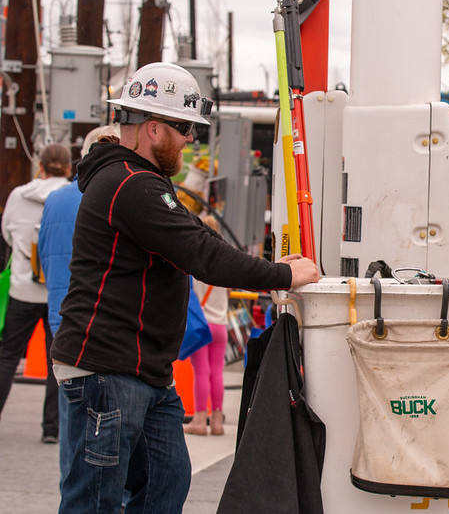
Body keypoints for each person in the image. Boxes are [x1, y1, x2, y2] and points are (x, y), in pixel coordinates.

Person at [50, 62, 320, 513]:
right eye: (184, 128)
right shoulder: (129, 184)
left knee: (165, 484)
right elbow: (203, 254)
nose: (191, 140)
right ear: (153, 129)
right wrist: (284, 277)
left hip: (141, 371)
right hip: (107, 369)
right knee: (95, 502)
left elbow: (202, 238)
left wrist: (274, 264)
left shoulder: (142, 182)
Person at [38, 125, 120, 490]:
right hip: (102, 327)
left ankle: (69, 494)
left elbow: (41, 255)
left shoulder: (55, 200)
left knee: (73, 427)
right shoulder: (116, 196)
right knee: (109, 435)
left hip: (61, 318)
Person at [0, 143, 71, 444]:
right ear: (69, 168)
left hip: (23, 288)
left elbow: (7, 232)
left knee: (7, 356)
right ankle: (51, 429)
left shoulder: (18, 196)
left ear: (39, 166)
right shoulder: (71, 196)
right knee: (57, 362)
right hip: (59, 291)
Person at [183, 215, 229, 436]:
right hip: (221, 325)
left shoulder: (194, 260)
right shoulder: (224, 261)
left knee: (201, 372)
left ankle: (200, 420)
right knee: (217, 372)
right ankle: (217, 421)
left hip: (201, 325)